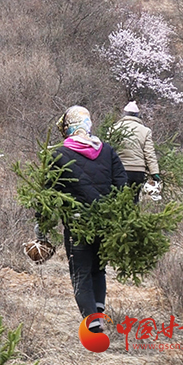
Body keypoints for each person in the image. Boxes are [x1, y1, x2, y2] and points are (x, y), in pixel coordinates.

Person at [51, 105, 127, 333]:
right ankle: (99, 315)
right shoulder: (107, 150)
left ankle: (93, 325)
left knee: (80, 272)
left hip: (77, 225)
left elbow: (48, 192)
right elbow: (122, 183)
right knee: (98, 269)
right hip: (105, 222)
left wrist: (41, 226)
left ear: (68, 128)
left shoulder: (59, 155)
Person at [113, 101, 160, 203]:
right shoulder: (145, 131)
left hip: (120, 170)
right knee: (134, 200)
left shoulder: (114, 129)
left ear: (124, 114)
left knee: (118, 201)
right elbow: (149, 153)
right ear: (137, 115)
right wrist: (154, 172)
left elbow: (109, 150)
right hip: (138, 171)